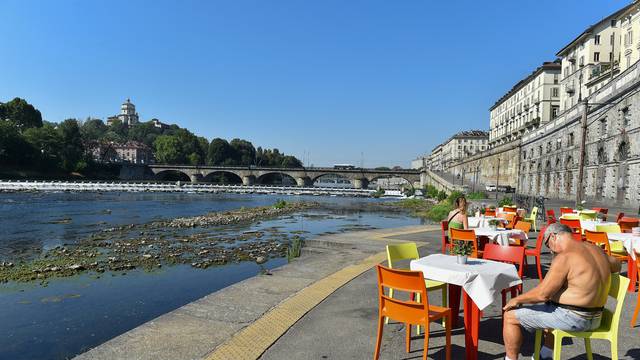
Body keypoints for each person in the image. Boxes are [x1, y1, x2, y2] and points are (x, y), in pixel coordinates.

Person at [502, 223, 621, 360]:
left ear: (553, 236)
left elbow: (542, 294)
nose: (551, 251)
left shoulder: (564, 256)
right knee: (552, 307)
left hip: (574, 319)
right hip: (596, 319)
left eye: (548, 245)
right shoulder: (595, 250)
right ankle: (545, 355)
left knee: (510, 317)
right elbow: (616, 265)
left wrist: (517, 299)